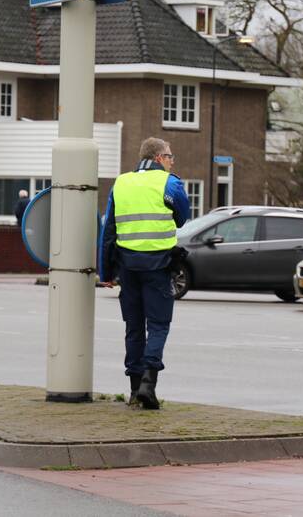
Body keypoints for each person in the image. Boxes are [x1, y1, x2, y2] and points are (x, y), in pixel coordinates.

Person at [99, 137, 190, 409]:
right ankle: (148, 386)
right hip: (158, 266)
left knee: (134, 327)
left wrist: (105, 272)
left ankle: (134, 389)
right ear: (160, 157)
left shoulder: (121, 183)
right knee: (159, 325)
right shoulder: (169, 183)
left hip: (128, 268)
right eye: (170, 156)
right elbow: (182, 217)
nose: (172, 161)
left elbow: (108, 231)